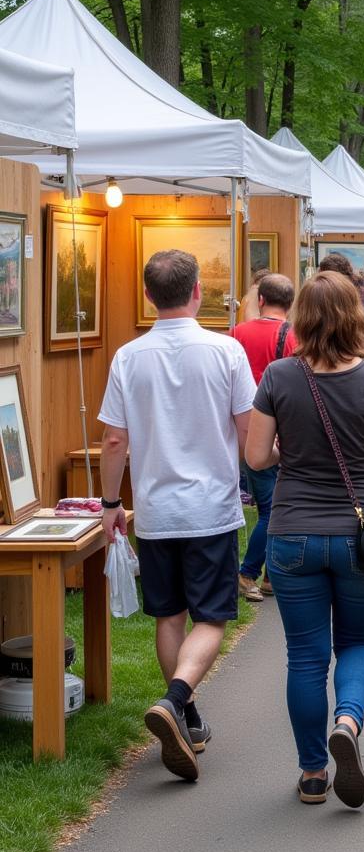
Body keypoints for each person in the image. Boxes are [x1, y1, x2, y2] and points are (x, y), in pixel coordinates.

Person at [245, 271, 364, 806]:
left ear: (299, 317)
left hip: (292, 534)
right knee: (357, 642)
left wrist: (294, 455)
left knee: (305, 658)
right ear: (356, 317)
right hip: (363, 535)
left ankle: (310, 774)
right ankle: (347, 722)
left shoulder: (279, 376)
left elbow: (256, 457)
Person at [99, 249, 256, 781]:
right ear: (197, 293)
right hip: (211, 506)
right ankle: (175, 702)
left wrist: (110, 504)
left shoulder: (128, 356)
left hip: (157, 508)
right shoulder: (226, 351)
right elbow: (247, 428)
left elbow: (114, 439)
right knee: (211, 616)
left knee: (169, 615)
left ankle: (183, 713)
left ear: (148, 296)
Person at [229, 273, 297, 603]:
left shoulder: (236, 334)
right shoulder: (293, 337)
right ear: (291, 303)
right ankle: (248, 572)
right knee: (274, 508)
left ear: (260, 300)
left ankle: (270, 576)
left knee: (272, 506)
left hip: (245, 430)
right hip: (281, 432)